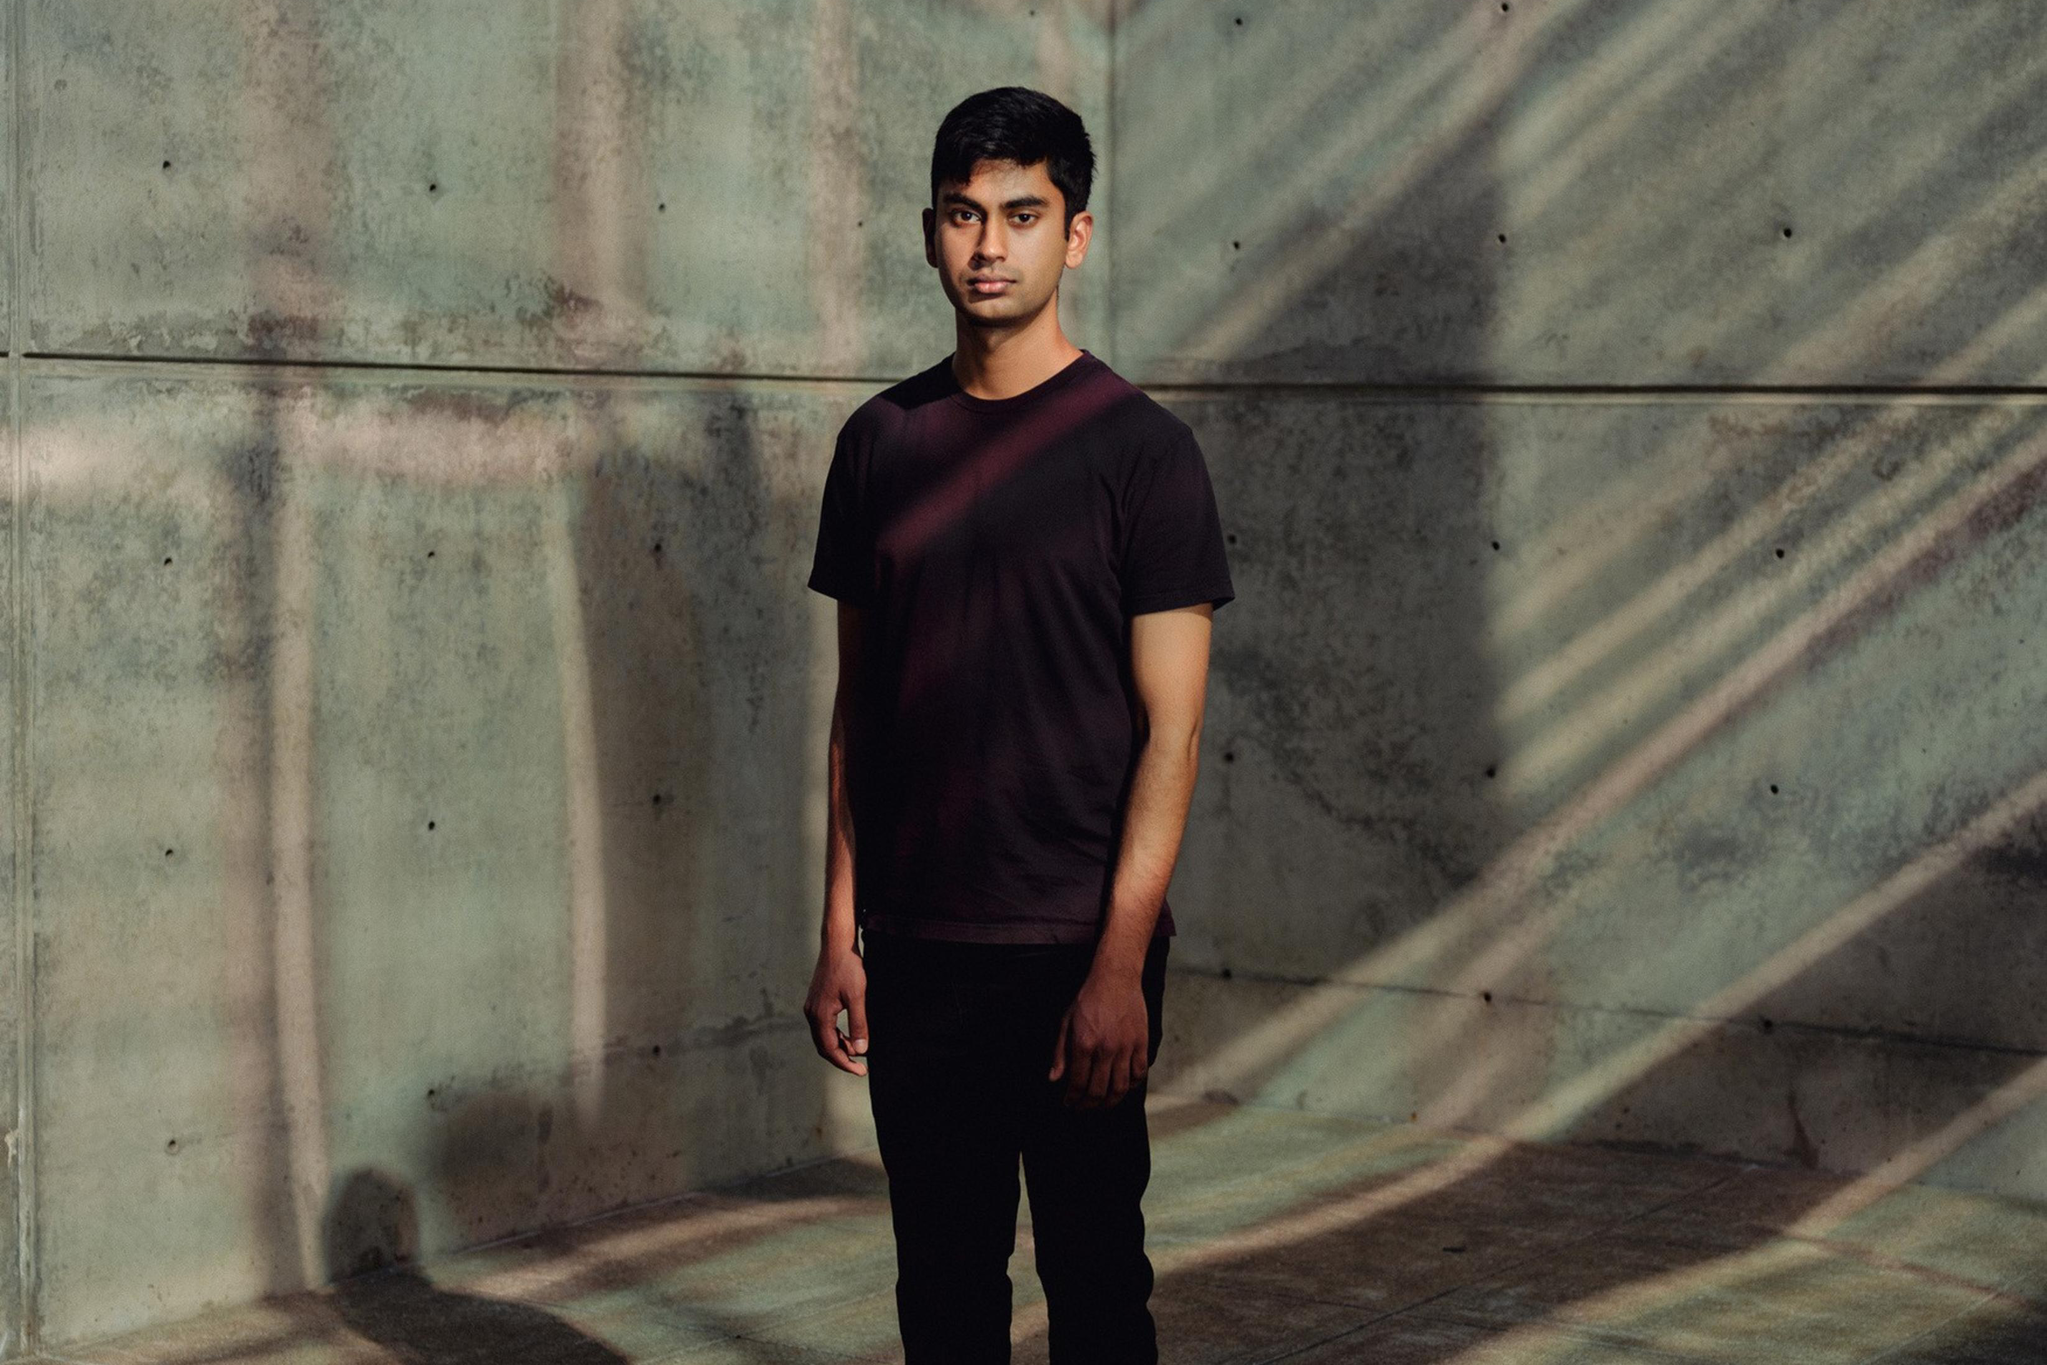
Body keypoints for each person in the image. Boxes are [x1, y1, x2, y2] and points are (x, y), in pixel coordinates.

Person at [801, 84, 1235, 1364]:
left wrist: (1117, 966)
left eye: (1021, 214)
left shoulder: (1143, 456)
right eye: (962, 214)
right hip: (920, 944)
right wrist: (839, 929)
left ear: (1076, 236)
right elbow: (856, 717)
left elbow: (1173, 732)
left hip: (1072, 952)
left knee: (1098, 1285)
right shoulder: (879, 443)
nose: (988, 244)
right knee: (941, 1291)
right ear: (927, 232)